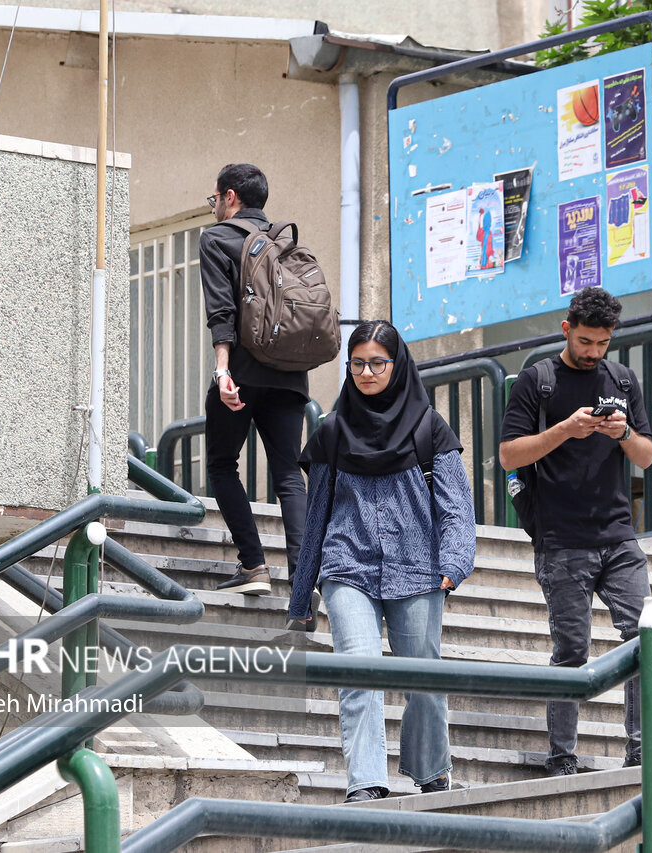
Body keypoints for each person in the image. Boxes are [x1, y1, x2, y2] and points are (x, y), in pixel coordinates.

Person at [289, 320, 475, 802]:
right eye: (358, 364)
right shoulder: (331, 430)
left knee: (424, 676)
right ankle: (367, 781)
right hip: (347, 566)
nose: (367, 372)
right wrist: (301, 592)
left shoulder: (429, 428)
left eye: (378, 363)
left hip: (418, 569)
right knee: (359, 669)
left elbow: (455, 504)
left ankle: (431, 769)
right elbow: (318, 516)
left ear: (397, 365)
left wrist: (454, 562)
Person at [498, 287, 652, 775]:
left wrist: (623, 433)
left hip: (619, 536)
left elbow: (647, 457)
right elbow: (509, 456)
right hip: (562, 541)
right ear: (566, 330)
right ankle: (562, 756)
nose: (593, 352)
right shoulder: (537, 380)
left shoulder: (623, 380)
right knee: (572, 650)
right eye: (585, 341)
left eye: (602, 343)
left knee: (644, 638)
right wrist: (565, 429)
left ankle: (641, 751)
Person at [199, 163, 308, 595]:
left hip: (243, 370)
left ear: (230, 197)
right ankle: (303, 577)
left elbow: (220, 310)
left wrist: (222, 369)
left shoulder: (217, 238)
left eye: (214, 200)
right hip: (289, 374)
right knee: (288, 474)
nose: (214, 208)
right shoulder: (286, 241)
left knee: (223, 464)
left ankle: (254, 566)